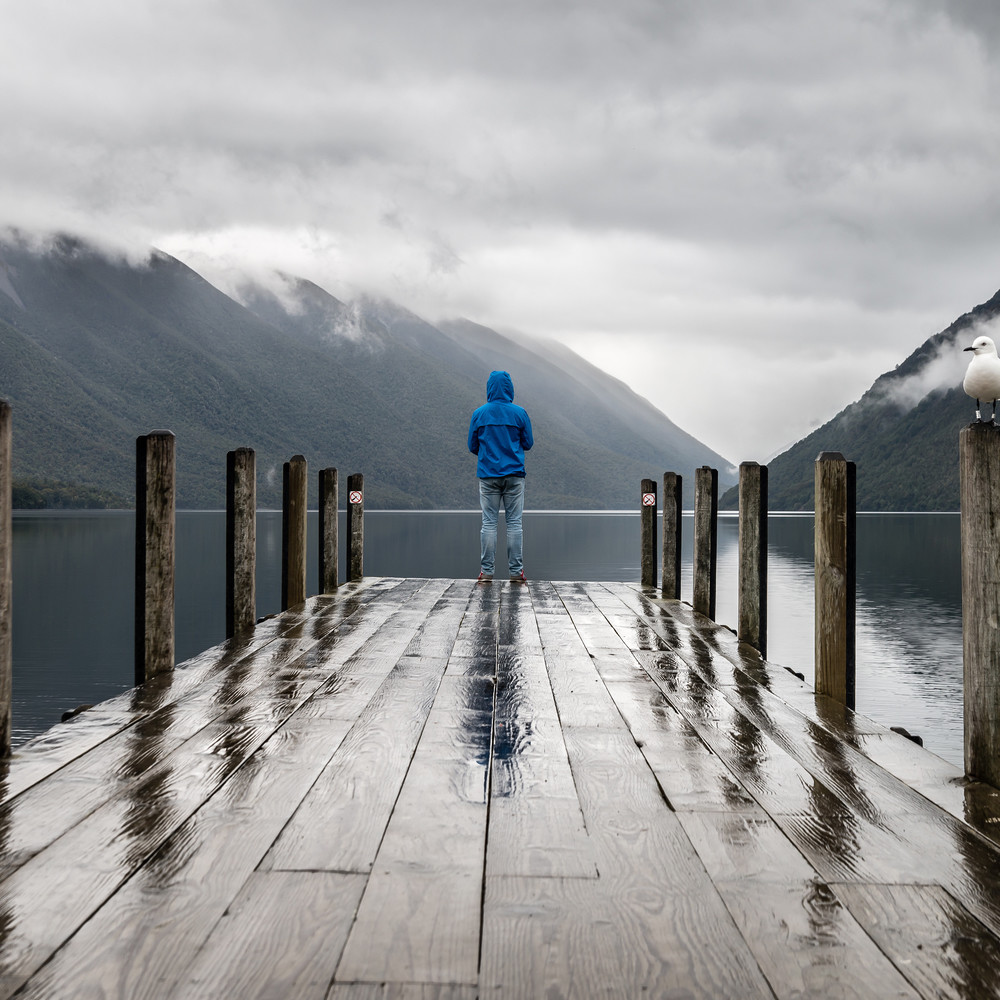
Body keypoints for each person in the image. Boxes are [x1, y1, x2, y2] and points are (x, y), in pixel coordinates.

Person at [468, 370, 533, 583]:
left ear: (489, 388)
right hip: (514, 475)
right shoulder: (520, 413)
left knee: (489, 523)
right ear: (509, 388)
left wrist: (489, 454)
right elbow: (528, 443)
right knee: (514, 524)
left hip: (488, 475)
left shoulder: (479, 414)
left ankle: (486, 572)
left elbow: (472, 446)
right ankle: (516, 572)